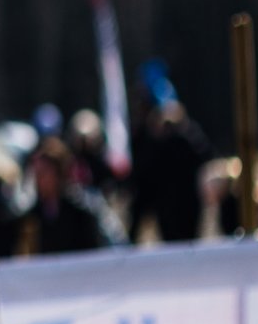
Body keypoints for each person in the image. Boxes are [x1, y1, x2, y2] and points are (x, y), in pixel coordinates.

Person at [128, 100, 212, 243]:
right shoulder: (156, 144)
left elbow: (205, 157)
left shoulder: (187, 139)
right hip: (168, 206)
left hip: (187, 202)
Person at [20, 138, 121, 254]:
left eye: (43, 174)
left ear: (59, 173)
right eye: (37, 174)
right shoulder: (35, 214)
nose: (38, 180)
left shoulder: (83, 209)